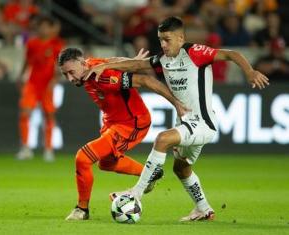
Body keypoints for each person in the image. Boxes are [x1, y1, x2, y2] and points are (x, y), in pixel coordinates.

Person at [85, 16, 269, 221]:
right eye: (160, 39)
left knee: (162, 139)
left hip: (203, 123)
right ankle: (204, 209)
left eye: (167, 39)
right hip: (186, 123)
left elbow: (231, 54)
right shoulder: (163, 60)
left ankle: (135, 193)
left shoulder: (195, 53)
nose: (163, 44)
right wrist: (105, 65)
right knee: (181, 168)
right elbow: (137, 65)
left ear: (181, 38)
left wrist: (250, 72)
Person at [58, 47, 186, 220]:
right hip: (112, 122)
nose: (70, 78)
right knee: (105, 164)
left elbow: (146, 80)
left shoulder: (102, 77)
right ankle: (150, 173)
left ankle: (82, 209)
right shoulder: (91, 66)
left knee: (83, 157)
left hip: (131, 124)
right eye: (65, 74)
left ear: (82, 63)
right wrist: (131, 61)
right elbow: (112, 60)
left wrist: (177, 104)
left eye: (71, 72)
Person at [16, 15, 64, 161]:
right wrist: (20, 75)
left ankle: (48, 149)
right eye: (40, 26)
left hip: (47, 85)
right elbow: (27, 61)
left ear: (51, 29)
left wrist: (55, 80)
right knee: (25, 113)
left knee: (48, 115)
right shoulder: (32, 43)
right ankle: (25, 148)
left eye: (45, 26)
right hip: (32, 84)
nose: (43, 29)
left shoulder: (57, 45)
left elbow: (60, 66)